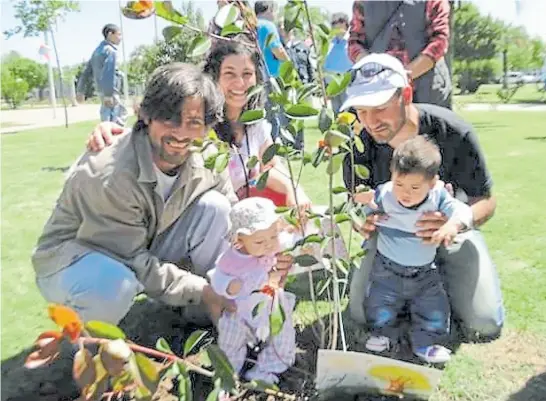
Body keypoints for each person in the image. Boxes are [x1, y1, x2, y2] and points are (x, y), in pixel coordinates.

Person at [33, 63, 238, 326]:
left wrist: (260, 251)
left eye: (194, 122)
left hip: (139, 244)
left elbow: (234, 211)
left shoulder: (207, 155)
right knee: (115, 284)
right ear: (145, 114)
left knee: (217, 208)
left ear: (208, 126)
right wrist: (200, 289)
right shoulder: (110, 173)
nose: (180, 132)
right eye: (169, 118)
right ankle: (93, 352)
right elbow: (132, 260)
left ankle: (205, 315)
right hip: (75, 257)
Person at [341, 53, 504, 341]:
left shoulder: (453, 131)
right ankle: (420, 298)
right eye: (361, 111)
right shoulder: (356, 143)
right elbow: (354, 200)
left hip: (452, 237)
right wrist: (360, 220)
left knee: (485, 322)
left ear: (406, 93)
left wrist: (454, 223)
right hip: (391, 243)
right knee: (360, 315)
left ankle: (434, 289)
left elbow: (486, 200)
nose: (370, 121)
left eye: (379, 107)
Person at [87, 38, 312, 210]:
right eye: (230, 74)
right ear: (214, 77)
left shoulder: (255, 123)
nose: (240, 83)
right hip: (202, 213)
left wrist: (295, 190)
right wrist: (110, 132)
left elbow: (271, 168)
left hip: (246, 210)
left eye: (247, 74)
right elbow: (156, 131)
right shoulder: (199, 119)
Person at [356, 136, 473, 363]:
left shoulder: (438, 197)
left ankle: (427, 342)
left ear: (431, 182)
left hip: (424, 270)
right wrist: (365, 214)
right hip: (386, 268)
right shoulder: (385, 194)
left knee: (433, 307)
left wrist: (451, 225)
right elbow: (365, 208)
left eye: (414, 187)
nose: (405, 193)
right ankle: (382, 333)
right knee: (379, 303)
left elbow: (463, 211)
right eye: (399, 184)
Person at [209, 197, 296, 383]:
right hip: (240, 307)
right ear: (239, 240)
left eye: (273, 236)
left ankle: (268, 369)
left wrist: (299, 227)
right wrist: (228, 285)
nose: (269, 245)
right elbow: (217, 277)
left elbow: (294, 239)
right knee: (230, 338)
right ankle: (228, 369)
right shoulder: (231, 259)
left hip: (272, 304)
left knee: (281, 334)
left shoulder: (276, 244)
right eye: (259, 242)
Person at [348, 0, 452, 108]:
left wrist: (403, 76)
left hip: (428, 90)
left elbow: (439, 42)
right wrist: (375, 73)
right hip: (379, 93)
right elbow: (355, 43)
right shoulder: (363, 2)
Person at [76, 24, 128, 126]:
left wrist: (80, 90)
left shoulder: (97, 51)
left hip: (102, 92)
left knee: (107, 119)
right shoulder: (111, 51)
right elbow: (109, 72)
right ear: (110, 34)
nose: (120, 38)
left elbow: (86, 72)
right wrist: (109, 94)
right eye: (119, 34)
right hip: (111, 93)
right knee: (118, 120)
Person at [255, 1, 290, 141]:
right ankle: (272, 149)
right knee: (273, 115)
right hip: (270, 76)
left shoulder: (249, 25)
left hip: (254, 76)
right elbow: (278, 50)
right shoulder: (268, 26)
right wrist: (289, 65)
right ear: (269, 9)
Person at [324, 12, 354, 115]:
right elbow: (325, 63)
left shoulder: (352, 41)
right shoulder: (329, 43)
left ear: (346, 24)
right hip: (332, 85)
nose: (337, 25)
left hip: (348, 84)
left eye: (340, 21)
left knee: (348, 114)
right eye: (334, 23)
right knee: (336, 114)